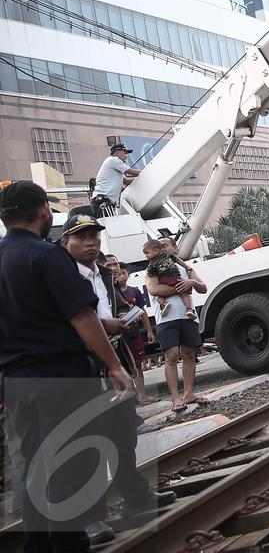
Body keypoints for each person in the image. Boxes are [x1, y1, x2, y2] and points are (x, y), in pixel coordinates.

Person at [0, 181, 132, 552]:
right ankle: (69, 543)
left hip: (17, 382)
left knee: (34, 467)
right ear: (44, 211)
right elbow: (82, 316)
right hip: (61, 377)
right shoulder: (47, 256)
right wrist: (114, 366)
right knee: (70, 465)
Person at [58, 215, 176, 544]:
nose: (90, 241)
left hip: (115, 358)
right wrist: (103, 325)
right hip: (83, 366)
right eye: (81, 236)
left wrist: (124, 318)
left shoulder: (106, 274)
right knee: (87, 442)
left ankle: (136, 495)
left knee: (123, 434)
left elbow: (115, 305)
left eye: (94, 234)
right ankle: (90, 518)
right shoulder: (62, 275)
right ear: (66, 241)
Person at [143, 239, 207, 412]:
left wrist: (191, 283)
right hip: (166, 319)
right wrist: (182, 288)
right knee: (171, 356)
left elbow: (203, 287)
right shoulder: (154, 267)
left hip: (188, 317)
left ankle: (189, 394)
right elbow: (154, 290)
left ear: (174, 247)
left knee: (189, 353)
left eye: (165, 246)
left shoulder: (185, 268)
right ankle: (175, 399)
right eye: (160, 246)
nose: (162, 249)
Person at [114, 266, 156, 402]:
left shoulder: (134, 291)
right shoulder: (112, 292)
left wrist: (149, 330)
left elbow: (142, 311)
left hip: (134, 333)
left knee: (138, 364)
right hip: (119, 335)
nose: (121, 276)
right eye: (119, 274)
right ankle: (128, 397)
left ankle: (142, 395)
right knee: (121, 365)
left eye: (123, 273)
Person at [90, 144, 142, 218]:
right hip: (102, 201)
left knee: (109, 225)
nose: (126, 156)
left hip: (104, 201)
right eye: (124, 152)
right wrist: (147, 172)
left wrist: (141, 178)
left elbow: (126, 181)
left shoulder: (115, 168)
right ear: (117, 152)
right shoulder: (113, 160)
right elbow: (130, 172)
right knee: (107, 225)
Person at [145, 248, 195, 321]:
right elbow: (178, 260)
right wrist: (187, 267)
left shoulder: (152, 264)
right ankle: (189, 309)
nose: (146, 256)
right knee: (184, 294)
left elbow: (150, 273)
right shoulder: (168, 255)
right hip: (176, 278)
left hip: (165, 280)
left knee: (158, 296)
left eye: (147, 253)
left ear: (155, 251)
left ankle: (164, 303)